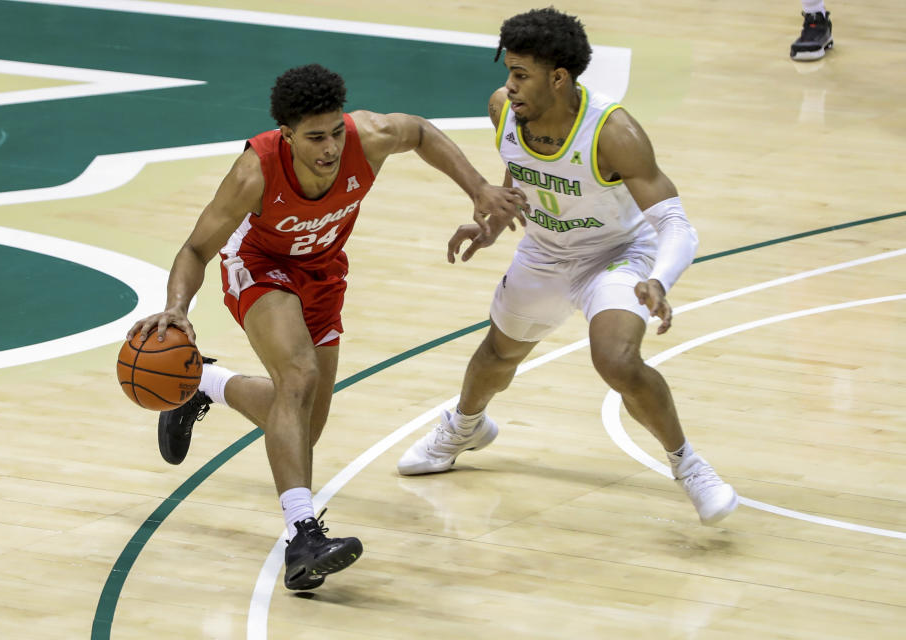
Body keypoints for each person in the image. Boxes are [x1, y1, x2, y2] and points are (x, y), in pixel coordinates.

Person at [127, 64, 527, 590]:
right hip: (258, 265)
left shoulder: (370, 137)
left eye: (336, 132)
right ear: (287, 135)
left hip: (322, 270)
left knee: (301, 427)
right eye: (315, 137)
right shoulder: (256, 170)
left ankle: (201, 384)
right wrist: (178, 307)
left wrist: (476, 186)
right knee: (298, 377)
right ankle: (303, 536)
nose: (331, 147)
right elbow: (196, 248)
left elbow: (422, 132)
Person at [397, 8, 739, 527]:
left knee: (617, 361)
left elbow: (676, 223)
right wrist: (494, 220)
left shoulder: (612, 131)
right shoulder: (503, 111)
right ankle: (465, 426)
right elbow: (522, 173)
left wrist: (658, 279)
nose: (507, 87)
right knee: (497, 354)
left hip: (618, 254)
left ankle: (688, 465)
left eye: (520, 75)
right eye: (508, 72)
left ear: (558, 78)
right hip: (544, 250)